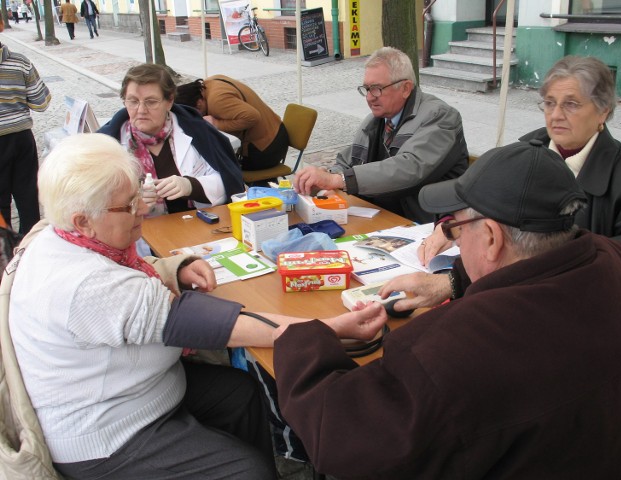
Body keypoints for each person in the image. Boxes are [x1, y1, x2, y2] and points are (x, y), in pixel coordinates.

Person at [5, 133, 387, 479]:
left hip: (141, 391)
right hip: (109, 434)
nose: (142, 208)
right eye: (128, 205)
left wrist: (180, 264)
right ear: (83, 220)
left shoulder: (58, 237)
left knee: (241, 394)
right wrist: (329, 327)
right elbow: (216, 325)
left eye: (138, 193)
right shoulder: (88, 286)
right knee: (245, 472)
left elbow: (140, 277)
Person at [273, 140, 621, 479]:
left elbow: (337, 433)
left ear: (493, 237)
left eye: (457, 228)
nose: (456, 239)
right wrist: (452, 281)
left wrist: (306, 336)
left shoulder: (459, 347)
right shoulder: (620, 260)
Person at [418, 55, 621, 267]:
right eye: (550, 103)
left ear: (603, 111)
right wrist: (450, 223)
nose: (556, 115)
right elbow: (474, 191)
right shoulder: (526, 153)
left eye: (571, 104)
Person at [293, 46, 469, 223]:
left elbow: (409, 168)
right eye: (366, 89)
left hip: (426, 223)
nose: (369, 97)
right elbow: (349, 161)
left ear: (406, 88)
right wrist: (326, 175)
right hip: (379, 214)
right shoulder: (376, 120)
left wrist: (338, 179)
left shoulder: (440, 116)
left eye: (377, 88)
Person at [99, 64, 245, 219]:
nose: (141, 110)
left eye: (151, 101)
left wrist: (191, 186)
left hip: (196, 229)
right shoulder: (107, 144)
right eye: (133, 101)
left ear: (169, 101)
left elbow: (230, 182)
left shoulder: (197, 131)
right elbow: (95, 205)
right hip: (138, 236)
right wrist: (132, 203)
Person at [176, 76, 289, 171]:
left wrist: (217, 124)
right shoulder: (209, 83)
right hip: (276, 132)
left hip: (267, 147)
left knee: (223, 168)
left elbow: (253, 116)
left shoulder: (216, 101)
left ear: (199, 103)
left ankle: (260, 189)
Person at [0, 40, 51, 235]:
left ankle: (4, 250)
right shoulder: (20, 62)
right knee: (28, 195)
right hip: (21, 139)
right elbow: (41, 103)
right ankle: (30, 244)